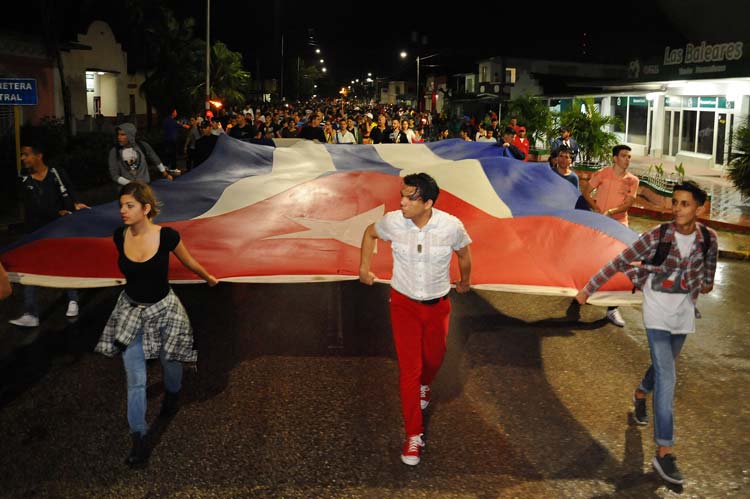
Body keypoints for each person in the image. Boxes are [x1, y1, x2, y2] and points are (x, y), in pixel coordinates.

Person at [576, 180, 717, 486]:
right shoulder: (657, 236)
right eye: (675, 202)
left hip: (683, 314)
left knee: (661, 367)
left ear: (700, 207)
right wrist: (588, 290)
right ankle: (664, 452)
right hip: (655, 311)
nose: (677, 209)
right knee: (668, 375)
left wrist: (695, 281)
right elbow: (619, 261)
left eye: (685, 204)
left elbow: (708, 281)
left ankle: (641, 392)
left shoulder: (709, 238)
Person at [95, 181, 218, 468]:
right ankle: (139, 439)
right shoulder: (118, 236)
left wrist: (209, 277)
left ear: (146, 209)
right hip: (131, 312)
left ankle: (173, 394)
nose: (122, 211)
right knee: (135, 379)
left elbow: (189, 262)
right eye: (121, 206)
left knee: (170, 363)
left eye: (129, 206)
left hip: (164, 310)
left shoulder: (168, 237)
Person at [359, 173, 472, 466]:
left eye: (410, 198)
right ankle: (413, 435)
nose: (402, 202)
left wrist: (465, 280)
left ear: (428, 203)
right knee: (409, 370)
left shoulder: (451, 226)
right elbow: (369, 233)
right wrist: (363, 267)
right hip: (403, 305)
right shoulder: (393, 222)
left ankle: (426, 384)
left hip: (438, 306)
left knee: (434, 359)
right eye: (402, 195)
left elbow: (464, 254)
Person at [9, 140, 89, 328]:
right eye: (21, 155)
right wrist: (56, 212)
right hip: (35, 231)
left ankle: (73, 300)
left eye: (25, 154)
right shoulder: (24, 179)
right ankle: (31, 312)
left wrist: (76, 203)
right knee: (30, 269)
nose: (22, 159)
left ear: (38, 155)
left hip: (60, 229)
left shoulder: (55, 173)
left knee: (66, 263)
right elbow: (33, 207)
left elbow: (70, 189)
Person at [582, 144, 639, 327]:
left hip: (619, 224)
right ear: (615, 158)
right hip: (600, 223)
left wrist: (611, 211)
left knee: (619, 264)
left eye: (629, 156)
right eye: (624, 156)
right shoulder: (603, 173)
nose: (627, 160)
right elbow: (586, 192)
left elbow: (628, 203)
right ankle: (586, 291)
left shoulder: (633, 180)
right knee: (594, 259)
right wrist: (598, 209)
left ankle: (612, 309)